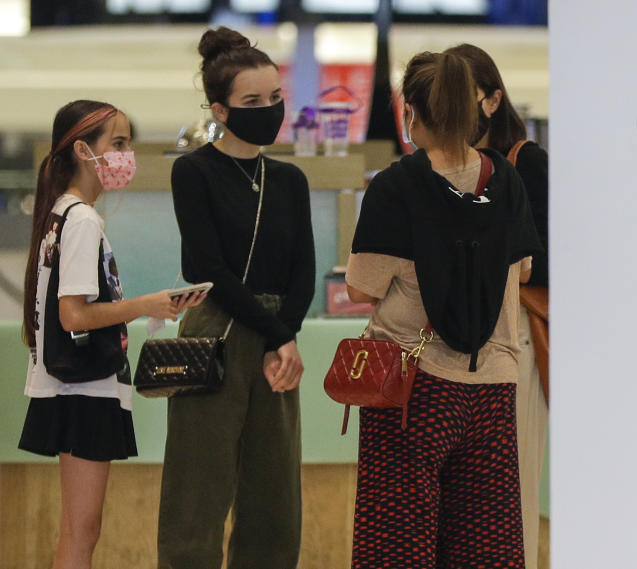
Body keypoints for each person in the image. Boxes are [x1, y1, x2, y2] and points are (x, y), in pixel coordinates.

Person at [345, 50, 542, 568]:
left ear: (411, 110)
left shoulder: (396, 185)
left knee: (397, 544)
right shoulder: (505, 180)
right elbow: (521, 271)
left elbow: (363, 286)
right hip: (494, 381)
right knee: (485, 546)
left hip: (413, 387)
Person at [19, 99, 203, 569]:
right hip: (82, 388)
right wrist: (146, 305)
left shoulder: (63, 214)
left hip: (73, 385)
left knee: (80, 529)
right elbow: (74, 316)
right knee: (82, 531)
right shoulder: (80, 218)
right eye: (117, 144)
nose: (125, 155)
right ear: (83, 150)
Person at [157, 27, 315, 569]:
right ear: (220, 111)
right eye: (252, 101)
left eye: (275, 98)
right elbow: (207, 269)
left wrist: (285, 334)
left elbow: (303, 270)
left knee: (274, 494)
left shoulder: (290, 179)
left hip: (278, 337)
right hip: (213, 330)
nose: (269, 109)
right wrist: (279, 336)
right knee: (197, 487)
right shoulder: (194, 170)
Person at [445, 42, 549, 568]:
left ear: (492, 101)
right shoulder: (439, 166)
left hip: (515, 340)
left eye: (460, 99)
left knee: (514, 498)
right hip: (455, 352)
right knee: (466, 510)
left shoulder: (524, 162)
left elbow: (553, 256)